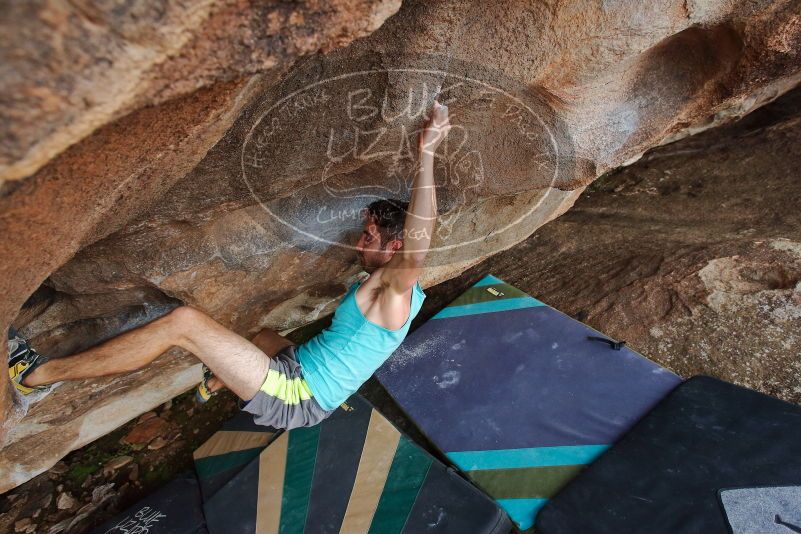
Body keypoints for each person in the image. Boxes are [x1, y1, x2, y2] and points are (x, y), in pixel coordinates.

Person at [8, 101, 451, 430]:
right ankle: (216, 382)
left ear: (395, 248)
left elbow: (419, 245)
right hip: (302, 371)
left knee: (183, 323)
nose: (360, 242)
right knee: (259, 335)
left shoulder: (392, 292)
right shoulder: (392, 289)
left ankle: (35, 377)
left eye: (371, 238)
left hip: (298, 395)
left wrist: (427, 154)